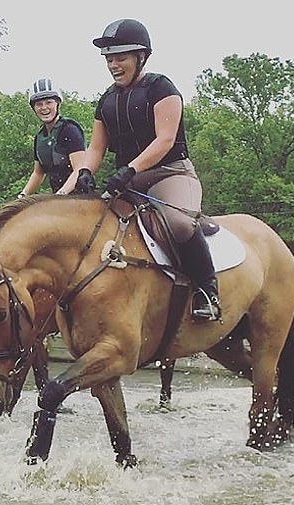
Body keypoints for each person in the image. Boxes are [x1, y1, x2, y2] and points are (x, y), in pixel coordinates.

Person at [76, 18, 220, 321]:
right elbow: (96, 149)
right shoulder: (106, 101)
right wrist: (85, 172)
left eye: (121, 58)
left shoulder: (162, 88)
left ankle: (207, 291)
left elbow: (165, 141)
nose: (114, 65)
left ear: (141, 57)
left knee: (179, 224)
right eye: (109, 59)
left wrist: (129, 169)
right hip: (128, 182)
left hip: (171, 173)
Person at [18, 78, 87, 197]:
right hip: (57, 197)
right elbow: (38, 173)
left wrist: (60, 195)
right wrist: (22, 196)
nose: (44, 108)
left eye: (49, 102)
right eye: (39, 104)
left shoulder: (70, 130)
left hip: (80, 197)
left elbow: (79, 169)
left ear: (57, 104)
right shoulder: (40, 137)